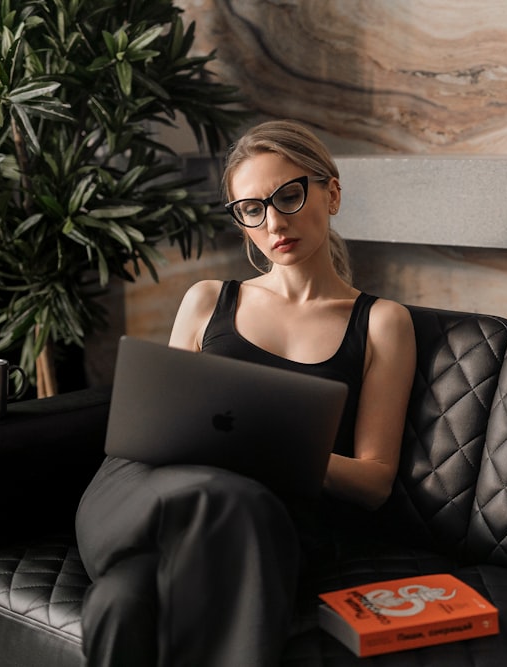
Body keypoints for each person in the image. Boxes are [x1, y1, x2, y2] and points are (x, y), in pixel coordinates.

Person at [74, 120, 417, 667]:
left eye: (289, 195)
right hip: (146, 491)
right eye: (252, 208)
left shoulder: (381, 322)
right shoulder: (207, 299)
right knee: (213, 494)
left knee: (122, 600)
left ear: (331, 192)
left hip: (259, 520)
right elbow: (156, 425)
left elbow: (375, 481)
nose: (274, 221)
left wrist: (268, 449)